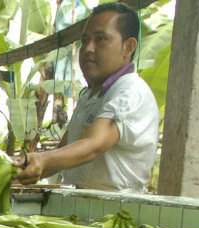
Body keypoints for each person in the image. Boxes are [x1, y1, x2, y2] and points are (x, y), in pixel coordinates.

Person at [13, 2, 159, 192]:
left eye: (101, 39)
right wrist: (14, 176)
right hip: (82, 201)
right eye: (85, 40)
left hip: (117, 206)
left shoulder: (129, 92)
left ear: (128, 46)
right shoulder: (89, 96)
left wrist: (42, 159)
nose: (88, 48)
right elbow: (62, 153)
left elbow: (93, 145)